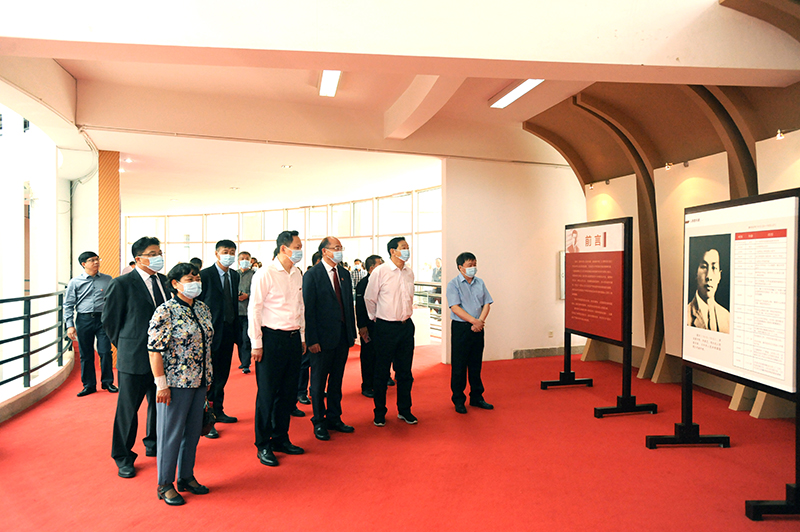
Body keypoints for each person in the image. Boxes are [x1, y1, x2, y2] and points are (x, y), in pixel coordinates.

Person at [148, 263, 213, 506]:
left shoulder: (203, 308)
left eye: (197, 277)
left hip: (200, 381)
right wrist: (161, 384)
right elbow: (154, 350)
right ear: (175, 284)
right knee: (170, 434)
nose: (195, 282)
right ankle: (165, 483)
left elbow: (207, 344)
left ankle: (186, 476)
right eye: (189, 278)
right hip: (175, 384)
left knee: (193, 433)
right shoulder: (165, 311)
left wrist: (208, 378)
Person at [102, 236, 167, 478]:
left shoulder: (164, 281)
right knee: (128, 410)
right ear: (138, 258)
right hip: (134, 358)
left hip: (163, 358)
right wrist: (126, 346)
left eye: (159, 252)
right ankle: (123, 456)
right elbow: (110, 321)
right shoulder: (122, 284)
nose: (158, 257)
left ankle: (154, 443)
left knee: (159, 404)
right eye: (152, 254)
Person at [249, 230, 306, 467]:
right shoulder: (265, 273)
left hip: (293, 339)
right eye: (297, 246)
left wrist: (302, 336)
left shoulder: (297, 273)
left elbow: (300, 306)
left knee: (288, 393)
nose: (300, 250)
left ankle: (281, 437)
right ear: (284, 248)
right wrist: (256, 343)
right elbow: (254, 309)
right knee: (267, 394)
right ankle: (263, 444)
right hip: (271, 339)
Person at [303, 237, 357, 441]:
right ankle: (318, 421)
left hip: (342, 336)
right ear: (325, 251)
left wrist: (351, 334)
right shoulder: (312, 275)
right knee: (318, 382)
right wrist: (311, 340)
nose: (339, 251)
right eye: (336, 248)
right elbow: (308, 310)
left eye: (341, 248)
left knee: (336, 380)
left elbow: (348, 305)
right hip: (321, 339)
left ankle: (335, 417)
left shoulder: (344, 273)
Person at [364, 236, 416, 427]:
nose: (407, 250)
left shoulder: (409, 272)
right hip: (385, 327)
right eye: (403, 247)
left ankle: (404, 410)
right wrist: (375, 318)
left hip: (406, 326)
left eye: (408, 247)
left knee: (405, 372)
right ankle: (379, 412)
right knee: (381, 371)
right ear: (393, 251)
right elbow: (369, 298)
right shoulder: (381, 271)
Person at [197, 239, 240, 439]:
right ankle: (206, 419)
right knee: (209, 378)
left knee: (222, 375)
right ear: (216, 253)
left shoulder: (235, 275)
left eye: (232, 252)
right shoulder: (205, 275)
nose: (229, 255)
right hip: (210, 334)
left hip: (228, 331)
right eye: (225, 251)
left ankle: (219, 410)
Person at [447, 252, 494, 413]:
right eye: (469, 265)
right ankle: (458, 399)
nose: (473, 268)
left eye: (474, 264)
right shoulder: (453, 284)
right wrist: (474, 321)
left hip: (478, 327)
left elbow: (487, 303)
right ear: (460, 267)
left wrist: (479, 321)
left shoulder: (480, 282)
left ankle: (477, 397)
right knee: (459, 365)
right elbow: (455, 307)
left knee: (476, 364)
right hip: (461, 328)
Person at [65, 251, 116, 397]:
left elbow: (113, 300)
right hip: (84, 319)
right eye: (92, 260)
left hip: (103, 320)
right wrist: (70, 325)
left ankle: (107, 382)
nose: (96, 262)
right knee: (86, 354)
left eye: (97, 259)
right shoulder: (75, 282)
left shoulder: (107, 279)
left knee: (105, 351)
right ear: (83, 264)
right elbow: (68, 304)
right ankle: (89, 385)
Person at [297, 250, 323, 408]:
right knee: (305, 362)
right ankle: (301, 391)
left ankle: (316, 389)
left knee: (318, 364)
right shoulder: (310, 276)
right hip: (308, 327)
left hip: (323, 329)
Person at [355, 254, 383, 398]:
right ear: (372, 268)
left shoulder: (383, 281)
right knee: (368, 355)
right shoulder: (363, 283)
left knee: (381, 354)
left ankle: (380, 380)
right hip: (368, 325)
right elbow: (360, 307)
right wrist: (362, 326)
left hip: (381, 324)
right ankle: (367, 385)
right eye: (380, 264)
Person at [687, 247, 730, 333]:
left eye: (714, 268)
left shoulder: (727, 317)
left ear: (719, 276)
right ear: (696, 273)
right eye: (704, 267)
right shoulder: (686, 315)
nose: (709, 276)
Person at [236, 251, 255, 374]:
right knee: (239, 339)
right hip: (236, 312)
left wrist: (247, 295)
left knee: (246, 338)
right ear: (238, 261)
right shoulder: (234, 274)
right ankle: (242, 361)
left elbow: (258, 292)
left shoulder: (254, 275)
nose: (244, 260)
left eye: (247, 258)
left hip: (248, 312)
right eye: (242, 258)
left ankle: (246, 363)